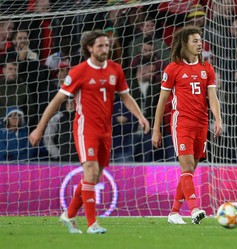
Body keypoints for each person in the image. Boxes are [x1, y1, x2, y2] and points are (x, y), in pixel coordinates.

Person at [29, 31, 150, 234]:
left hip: (106, 130)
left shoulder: (115, 70)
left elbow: (126, 97)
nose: (105, 49)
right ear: (89, 48)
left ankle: (68, 215)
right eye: (100, 46)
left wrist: (141, 116)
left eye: (107, 45)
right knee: (91, 171)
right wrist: (39, 128)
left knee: (93, 177)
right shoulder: (79, 72)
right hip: (86, 129)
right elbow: (57, 101)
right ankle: (92, 224)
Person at [151, 26, 222, 225]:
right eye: (195, 41)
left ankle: (174, 213)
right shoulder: (173, 68)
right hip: (181, 124)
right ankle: (194, 209)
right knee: (187, 167)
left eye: (200, 40)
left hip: (201, 124)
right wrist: (156, 129)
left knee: (189, 171)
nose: (200, 44)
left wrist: (218, 118)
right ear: (185, 44)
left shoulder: (206, 68)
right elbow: (162, 101)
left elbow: (212, 97)